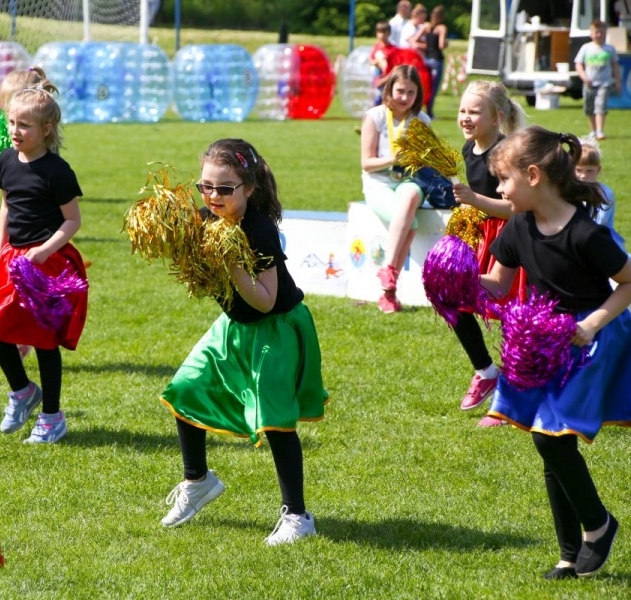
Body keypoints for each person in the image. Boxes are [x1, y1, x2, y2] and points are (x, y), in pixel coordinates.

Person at [482, 126, 631, 580]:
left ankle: (598, 524)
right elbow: (498, 284)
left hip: (590, 341)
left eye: (504, 180)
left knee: (549, 436)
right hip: (544, 343)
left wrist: (590, 324)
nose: (499, 191)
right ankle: (569, 553)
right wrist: (456, 280)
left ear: (534, 175)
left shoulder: (585, 233)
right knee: (552, 439)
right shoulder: (519, 226)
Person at [159, 138, 328, 546]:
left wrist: (231, 263)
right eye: (205, 187)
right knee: (185, 389)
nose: (213, 196)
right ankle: (197, 481)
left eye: (225, 188)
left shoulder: (258, 230)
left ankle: (298, 516)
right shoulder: (207, 219)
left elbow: (266, 300)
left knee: (275, 421)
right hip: (234, 326)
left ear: (249, 188)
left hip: (275, 329)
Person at [0, 87, 88, 445]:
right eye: (12, 122)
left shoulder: (57, 171)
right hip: (13, 257)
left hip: (48, 262)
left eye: (24, 125)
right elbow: (7, 208)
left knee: (43, 340)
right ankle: (22, 391)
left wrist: (43, 251)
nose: (15, 131)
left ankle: (52, 417)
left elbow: (72, 221)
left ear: (46, 129)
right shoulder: (6, 161)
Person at [450, 80, 526, 425]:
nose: (466, 117)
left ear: (497, 117)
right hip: (479, 237)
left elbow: (515, 207)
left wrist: (474, 199)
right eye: (462, 110)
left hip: (509, 239)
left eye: (474, 111)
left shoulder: (506, 153)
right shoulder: (469, 148)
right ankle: (485, 371)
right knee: (453, 298)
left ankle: (509, 401)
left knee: (512, 317)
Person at [0, 66, 58, 275]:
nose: (5, 108)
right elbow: (5, 193)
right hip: (14, 221)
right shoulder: (8, 149)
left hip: (41, 228)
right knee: (6, 276)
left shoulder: (49, 157)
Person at [360, 64, 429, 313]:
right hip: (378, 182)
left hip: (409, 181)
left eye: (411, 92)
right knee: (411, 224)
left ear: (418, 94)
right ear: (389, 89)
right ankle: (389, 293)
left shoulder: (422, 120)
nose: (404, 98)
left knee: (410, 195)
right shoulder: (375, 116)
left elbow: (427, 162)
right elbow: (366, 163)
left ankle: (387, 268)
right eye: (400, 91)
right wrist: (394, 159)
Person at [575, 139, 625, 252]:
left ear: (598, 170)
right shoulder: (566, 191)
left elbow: (598, 222)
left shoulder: (604, 193)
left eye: (589, 171)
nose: (583, 175)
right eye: (578, 170)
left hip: (601, 239)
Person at [574, 20, 620, 141]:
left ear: (605, 33)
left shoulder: (609, 49)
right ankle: (593, 131)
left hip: (604, 83)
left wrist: (617, 82)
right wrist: (584, 77)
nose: (598, 34)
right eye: (596, 32)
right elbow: (578, 64)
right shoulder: (586, 48)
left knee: (600, 106)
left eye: (601, 32)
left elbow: (615, 66)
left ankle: (600, 131)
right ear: (591, 33)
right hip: (589, 83)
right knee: (589, 108)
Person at [415, 5, 447, 119]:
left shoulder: (426, 26)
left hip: (426, 60)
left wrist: (426, 45)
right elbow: (441, 45)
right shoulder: (441, 28)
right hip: (436, 60)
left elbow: (415, 39)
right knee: (433, 88)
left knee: (424, 86)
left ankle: (418, 108)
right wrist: (446, 43)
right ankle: (429, 112)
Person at [368, 22, 392, 104]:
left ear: (389, 33)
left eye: (384, 32)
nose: (381, 35)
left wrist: (384, 80)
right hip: (376, 78)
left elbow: (394, 68)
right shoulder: (376, 46)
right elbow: (371, 59)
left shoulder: (392, 49)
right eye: (379, 32)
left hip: (387, 80)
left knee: (387, 101)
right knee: (375, 101)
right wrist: (375, 62)